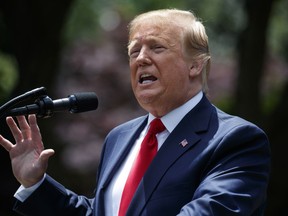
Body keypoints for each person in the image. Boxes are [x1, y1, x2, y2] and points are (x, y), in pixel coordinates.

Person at [0, 8, 270, 216]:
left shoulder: (236, 140)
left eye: (157, 47)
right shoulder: (119, 138)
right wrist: (36, 183)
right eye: (134, 51)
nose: (141, 58)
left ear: (195, 66)